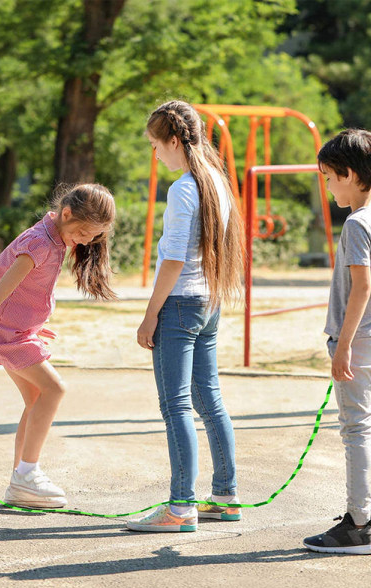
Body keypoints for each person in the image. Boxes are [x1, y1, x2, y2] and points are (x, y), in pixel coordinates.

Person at [0, 183, 116, 509]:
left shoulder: (54, 238)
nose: (86, 240)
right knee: (54, 390)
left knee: (35, 400)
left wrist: (36, 324)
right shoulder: (40, 244)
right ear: (67, 214)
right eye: (84, 231)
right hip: (6, 334)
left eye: (93, 236)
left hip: (16, 330)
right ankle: (26, 474)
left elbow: (25, 293)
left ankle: (21, 480)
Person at [127, 100, 244, 533]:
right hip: (208, 302)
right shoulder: (215, 179)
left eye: (157, 146)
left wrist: (149, 315)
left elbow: (173, 258)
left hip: (179, 304)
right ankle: (226, 497)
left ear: (175, 140)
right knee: (209, 399)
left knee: (175, 405)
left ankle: (180, 506)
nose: (156, 155)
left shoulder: (183, 189)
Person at [303, 129, 371, 555]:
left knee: (356, 432)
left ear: (348, 174)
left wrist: (342, 345)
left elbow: (361, 287)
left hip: (358, 343)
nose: (327, 185)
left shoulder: (357, 225)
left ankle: (357, 525)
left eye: (328, 177)